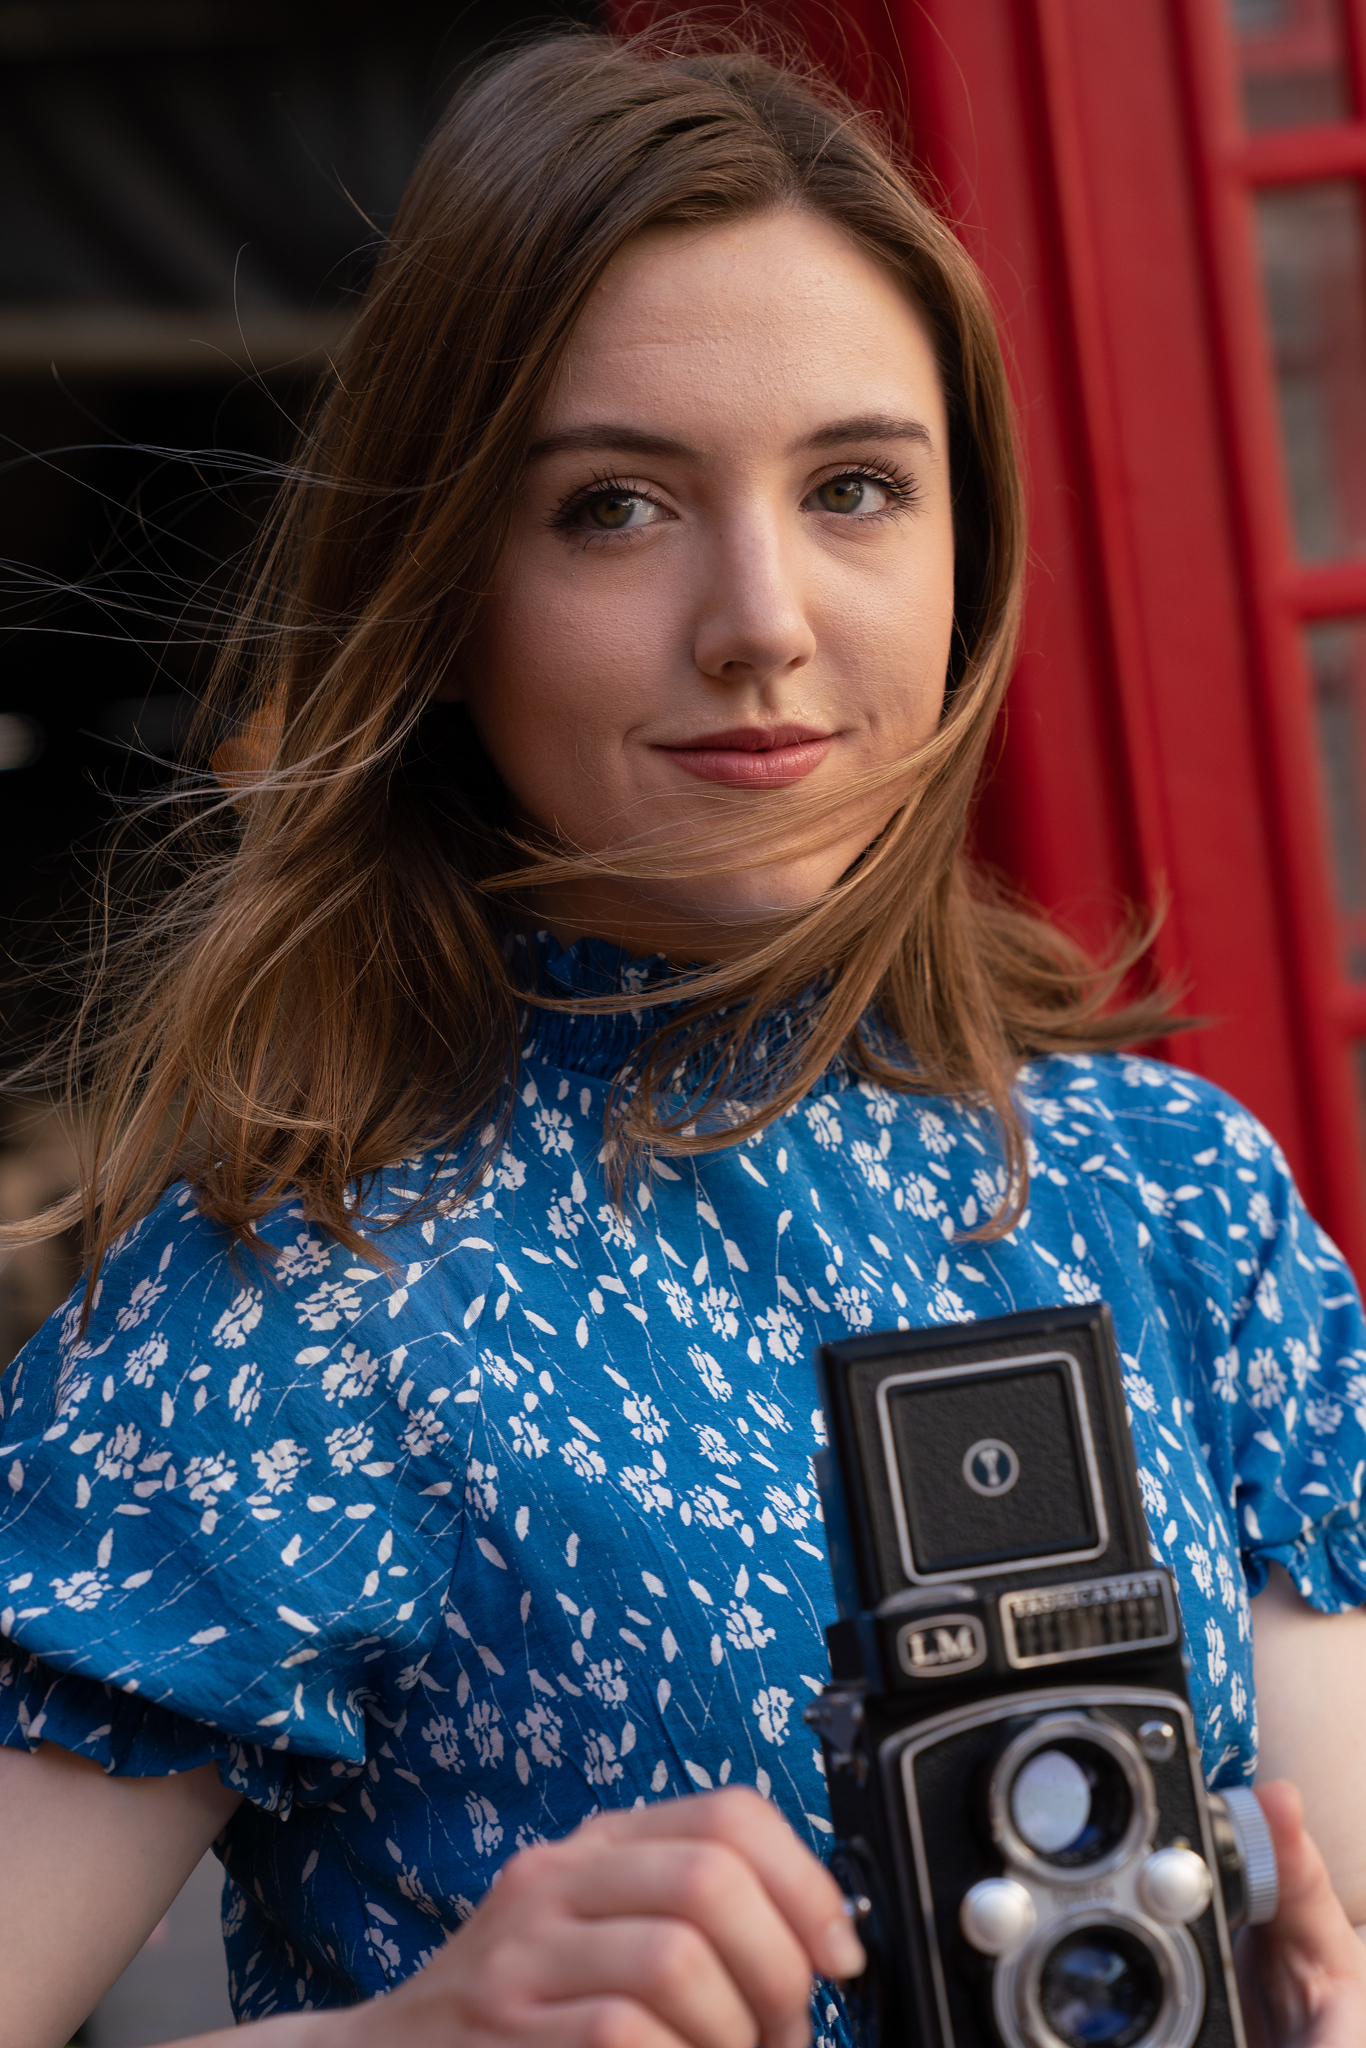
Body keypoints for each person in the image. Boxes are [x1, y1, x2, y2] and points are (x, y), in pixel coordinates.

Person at [2, 26, 1366, 2048]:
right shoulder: (289, 1304)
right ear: (447, 591)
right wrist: (421, 2034)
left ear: (961, 553)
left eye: (850, 489)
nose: (759, 612)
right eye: (616, 505)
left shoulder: (1168, 1195)